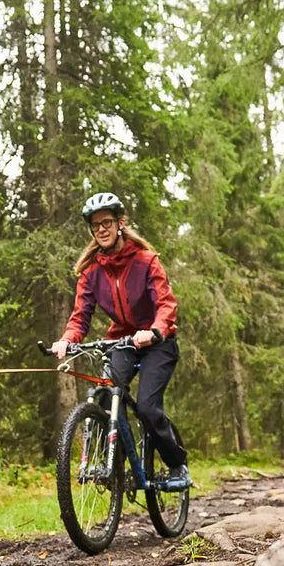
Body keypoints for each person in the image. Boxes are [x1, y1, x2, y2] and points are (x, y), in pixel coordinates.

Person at [50, 192, 189, 487]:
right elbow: (80, 317)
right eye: (96, 224)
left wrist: (155, 330)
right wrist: (67, 340)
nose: (101, 229)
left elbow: (166, 304)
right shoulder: (90, 272)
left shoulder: (146, 260)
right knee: (104, 395)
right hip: (121, 341)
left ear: (120, 223)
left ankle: (177, 465)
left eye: (107, 222)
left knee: (148, 409)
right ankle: (114, 463)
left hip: (157, 342)